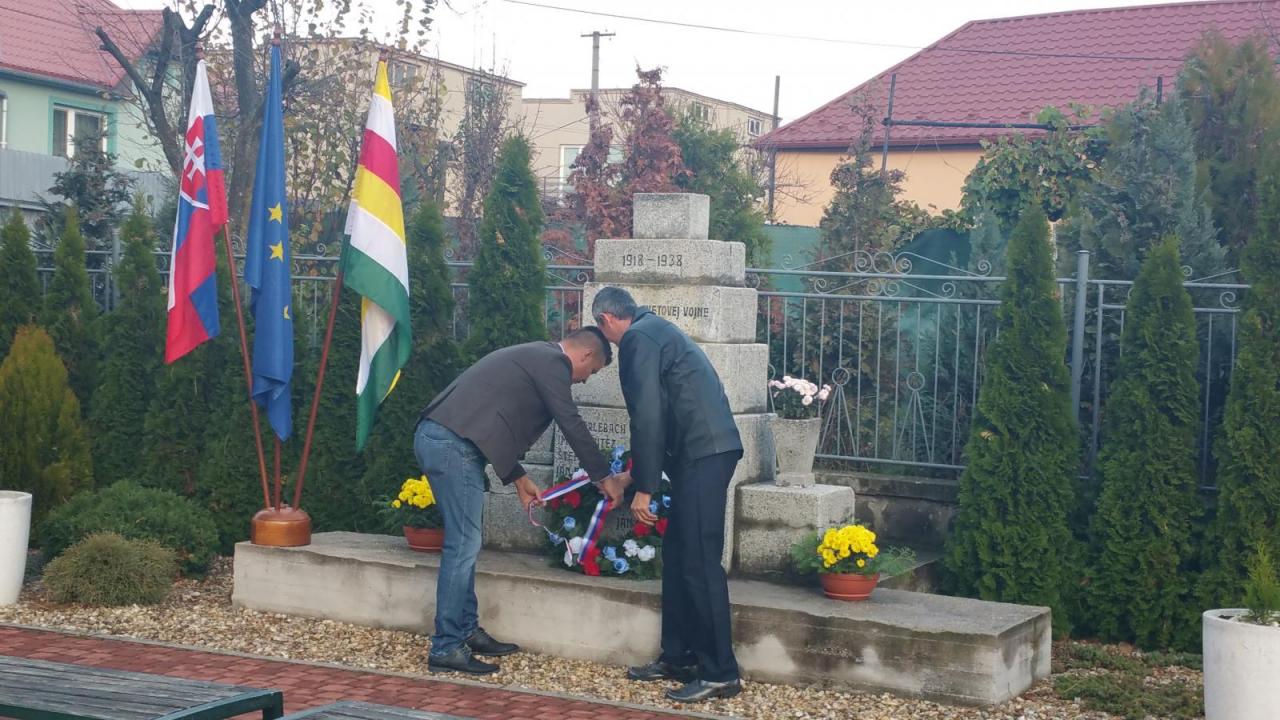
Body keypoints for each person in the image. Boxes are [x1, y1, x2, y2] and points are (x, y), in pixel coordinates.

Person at [415, 327, 625, 675]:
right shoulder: (554, 362)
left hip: (449, 440)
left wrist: (517, 477)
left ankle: (465, 630)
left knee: (466, 542)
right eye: (591, 371)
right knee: (463, 544)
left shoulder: (539, 355)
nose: (585, 380)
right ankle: (447, 646)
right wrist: (605, 477)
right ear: (586, 354)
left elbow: (489, 420)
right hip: (451, 444)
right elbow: (569, 422)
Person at [590, 286, 744, 703]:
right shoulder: (655, 330)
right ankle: (679, 656)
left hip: (703, 453)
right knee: (678, 557)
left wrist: (645, 489)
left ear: (606, 320)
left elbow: (647, 414)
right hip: (701, 452)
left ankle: (720, 673)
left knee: (699, 561)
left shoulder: (638, 338)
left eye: (604, 333)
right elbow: (664, 409)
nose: (609, 342)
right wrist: (633, 475)